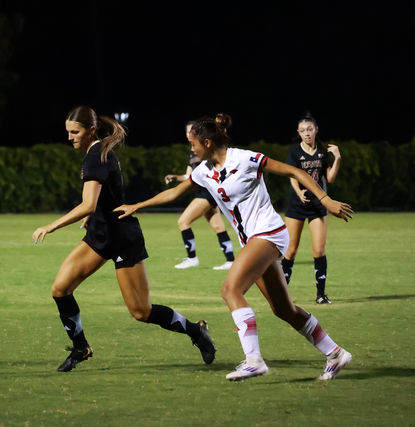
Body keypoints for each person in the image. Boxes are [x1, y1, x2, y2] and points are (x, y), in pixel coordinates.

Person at [116, 113, 353, 381]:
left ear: (206, 142)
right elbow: (175, 193)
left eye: (193, 144)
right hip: (253, 240)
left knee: (230, 290)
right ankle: (335, 353)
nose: (191, 149)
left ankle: (254, 360)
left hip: (269, 233)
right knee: (283, 309)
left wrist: (326, 200)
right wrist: (138, 206)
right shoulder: (204, 171)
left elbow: (294, 171)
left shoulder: (246, 158)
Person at [32, 106, 216, 372]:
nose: (70, 137)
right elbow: (103, 199)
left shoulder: (97, 156)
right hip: (99, 234)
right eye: (68, 132)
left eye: (75, 132)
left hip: (121, 237)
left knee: (141, 312)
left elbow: (87, 204)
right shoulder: (97, 153)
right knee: (60, 289)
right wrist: (93, 216)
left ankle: (196, 331)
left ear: (91, 131)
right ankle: (80, 347)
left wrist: (51, 225)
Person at [280, 114, 342, 304]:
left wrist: (337, 158)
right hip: (297, 205)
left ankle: (321, 295)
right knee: (290, 251)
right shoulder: (294, 151)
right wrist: (299, 192)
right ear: (298, 133)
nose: (307, 133)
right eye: (303, 131)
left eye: (310, 129)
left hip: (317, 205)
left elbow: (329, 178)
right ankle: (281, 296)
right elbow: (292, 175)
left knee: (319, 250)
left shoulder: (323, 151)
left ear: (316, 130)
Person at [164, 121, 235, 270]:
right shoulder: (193, 152)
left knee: (183, 221)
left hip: (207, 191)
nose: (189, 135)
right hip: (204, 191)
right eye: (187, 132)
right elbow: (188, 176)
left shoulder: (206, 148)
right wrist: (174, 177)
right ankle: (231, 261)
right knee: (218, 226)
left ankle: (192, 258)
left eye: (192, 131)